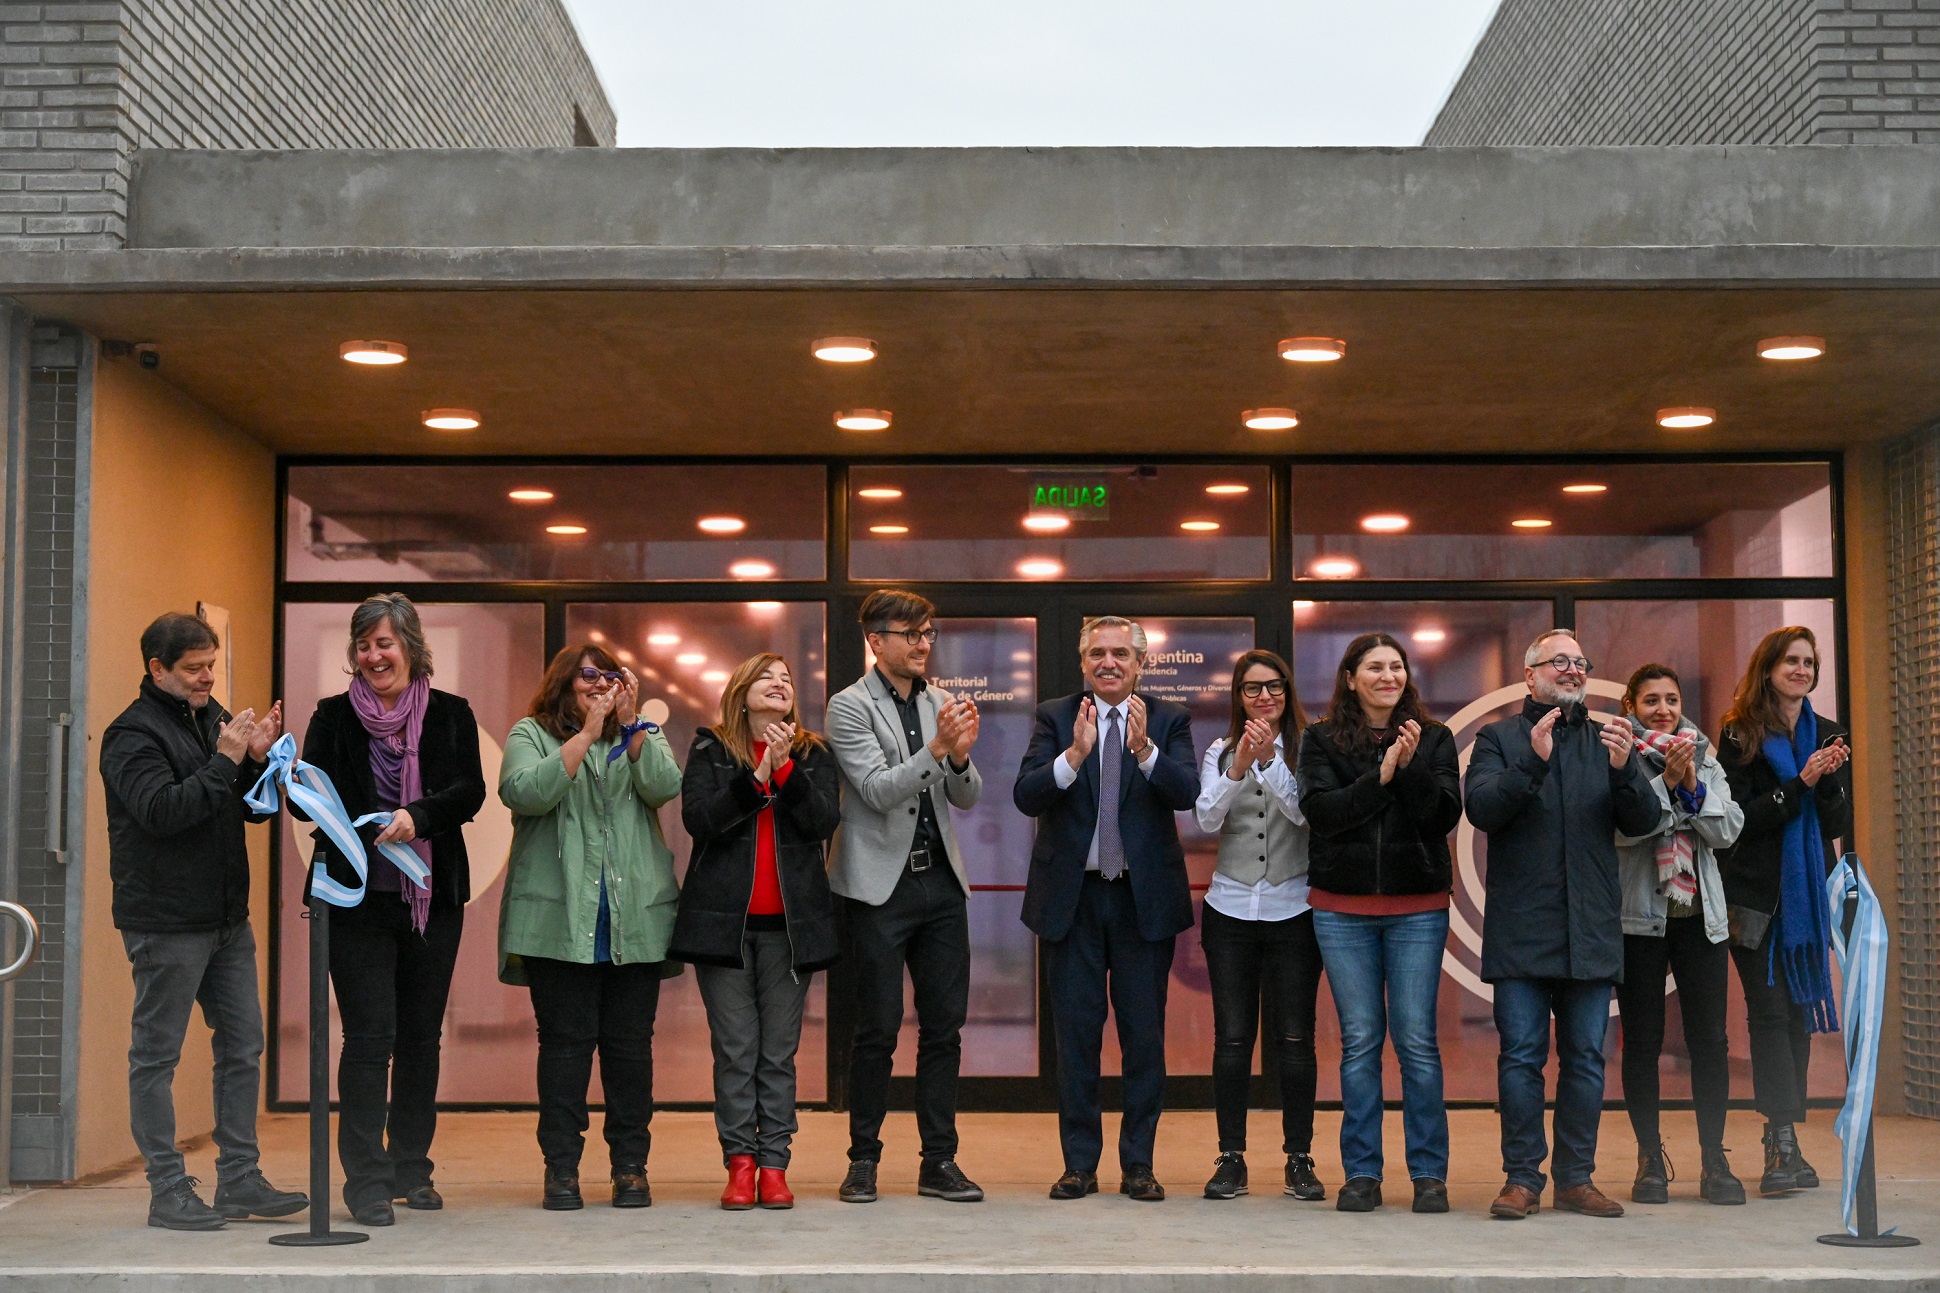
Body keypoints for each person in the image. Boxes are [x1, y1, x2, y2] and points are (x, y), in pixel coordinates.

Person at [99, 612, 306, 1231]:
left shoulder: (212, 717)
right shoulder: (129, 736)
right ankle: (168, 1188)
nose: (207, 678)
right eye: (193, 669)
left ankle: (240, 1178)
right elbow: (162, 812)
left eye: (211, 665)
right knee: (156, 1057)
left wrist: (258, 762)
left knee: (243, 1046)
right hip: (165, 923)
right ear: (156, 669)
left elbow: (244, 811)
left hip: (225, 920)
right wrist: (225, 760)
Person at [297, 594, 486, 1225]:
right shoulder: (330, 718)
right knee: (368, 1040)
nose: (374, 655)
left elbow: (469, 792)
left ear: (410, 647)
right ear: (353, 655)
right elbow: (307, 804)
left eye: (385, 643)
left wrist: (418, 817)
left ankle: (412, 1169)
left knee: (420, 1040)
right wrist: (289, 772)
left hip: (430, 901)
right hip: (353, 902)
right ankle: (366, 1183)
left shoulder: (451, 714)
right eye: (364, 645)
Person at [1464, 628, 1660, 1220]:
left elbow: (1646, 819)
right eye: (1560, 662)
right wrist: (1533, 761)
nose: (1573, 670)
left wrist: (1626, 771)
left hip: (1592, 928)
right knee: (1522, 1057)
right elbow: (1483, 808)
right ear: (1530, 676)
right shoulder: (1498, 738)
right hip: (1523, 928)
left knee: (1584, 1058)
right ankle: (1522, 1179)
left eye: (1580, 662)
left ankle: (1577, 1179)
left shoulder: (1609, 739)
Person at [1015, 615, 1197, 1203]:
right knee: (1077, 1038)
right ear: (1084, 661)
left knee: (1144, 1038)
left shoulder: (1168, 718)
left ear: (1141, 664)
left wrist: (1143, 751)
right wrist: (1073, 755)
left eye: (1121, 653)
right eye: (1098, 653)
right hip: (1074, 899)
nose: (1109, 662)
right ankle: (1080, 1165)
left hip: (1142, 902)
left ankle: (1139, 1165)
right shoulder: (1055, 715)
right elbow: (1026, 794)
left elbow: (1187, 794)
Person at [498, 643, 682, 1211]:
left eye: (608, 675)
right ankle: (561, 1169)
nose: (598, 683)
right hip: (559, 924)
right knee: (565, 1050)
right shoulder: (531, 733)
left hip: (633, 925)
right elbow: (523, 793)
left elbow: (664, 786)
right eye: (587, 675)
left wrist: (629, 727)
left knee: (630, 1051)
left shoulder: (639, 732)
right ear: (562, 683)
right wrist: (586, 735)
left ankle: (630, 1167)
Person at [826, 591, 986, 1204]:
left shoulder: (942, 702)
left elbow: (967, 798)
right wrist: (940, 751)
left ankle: (938, 1161)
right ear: (875, 640)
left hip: (939, 884)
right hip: (877, 888)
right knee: (878, 1029)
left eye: (929, 633)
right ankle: (863, 1160)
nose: (923, 643)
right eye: (910, 633)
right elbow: (873, 790)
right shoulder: (849, 707)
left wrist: (962, 758)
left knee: (945, 1029)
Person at [1297, 632, 1462, 1215]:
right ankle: (1362, 1173)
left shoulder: (1435, 737)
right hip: (1342, 911)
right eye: (1374, 667)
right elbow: (1323, 815)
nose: (1387, 676)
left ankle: (1429, 1176)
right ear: (1350, 677)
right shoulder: (1318, 739)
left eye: (1396, 666)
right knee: (1360, 1043)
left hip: (1418, 909)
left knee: (1417, 1042)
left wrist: (1411, 768)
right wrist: (1381, 777)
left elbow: (1442, 815)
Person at [671, 653, 841, 1211]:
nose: (779, 685)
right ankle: (739, 1163)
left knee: (778, 1054)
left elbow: (822, 822)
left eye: (787, 680)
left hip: (790, 930)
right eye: (767, 678)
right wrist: (758, 777)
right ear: (742, 693)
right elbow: (701, 819)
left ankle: (775, 1165)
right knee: (737, 1049)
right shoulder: (710, 748)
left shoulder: (812, 754)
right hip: (724, 928)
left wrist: (786, 770)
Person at [1717, 626, 1850, 1197]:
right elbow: (1738, 821)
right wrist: (1802, 781)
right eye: (1791, 661)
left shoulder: (1827, 733)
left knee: (1797, 1021)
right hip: (1755, 900)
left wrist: (1825, 785)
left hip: (1807, 907)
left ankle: (1784, 1133)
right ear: (1768, 668)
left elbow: (1837, 826)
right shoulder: (1739, 733)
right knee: (1769, 1017)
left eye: (1809, 662)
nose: (1801, 669)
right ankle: (1782, 1142)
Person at [1193, 649, 1326, 1204]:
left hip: (1294, 907)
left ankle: (1299, 1156)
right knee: (1231, 1038)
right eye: (1251, 688)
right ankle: (1231, 1156)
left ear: (1287, 691)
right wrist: (1241, 765)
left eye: (1273, 687)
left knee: (1295, 1038)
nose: (1263, 696)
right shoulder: (1219, 750)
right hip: (1230, 908)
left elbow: (1308, 816)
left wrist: (1271, 761)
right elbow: (1206, 818)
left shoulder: (1310, 747)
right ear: (1238, 696)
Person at [1612, 663, 1746, 1206]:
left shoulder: (1704, 755)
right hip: (1639, 922)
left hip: (1700, 921)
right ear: (1630, 707)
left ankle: (1714, 1159)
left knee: (1709, 1042)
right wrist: (1666, 786)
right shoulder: (1617, 756)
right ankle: (1650, 1159)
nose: (1662, 709)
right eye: (1650, 700)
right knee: (1641, 1044)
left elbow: (1728, 829)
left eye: (1670, 699)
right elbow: (1622, 831)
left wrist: (1691, 784)